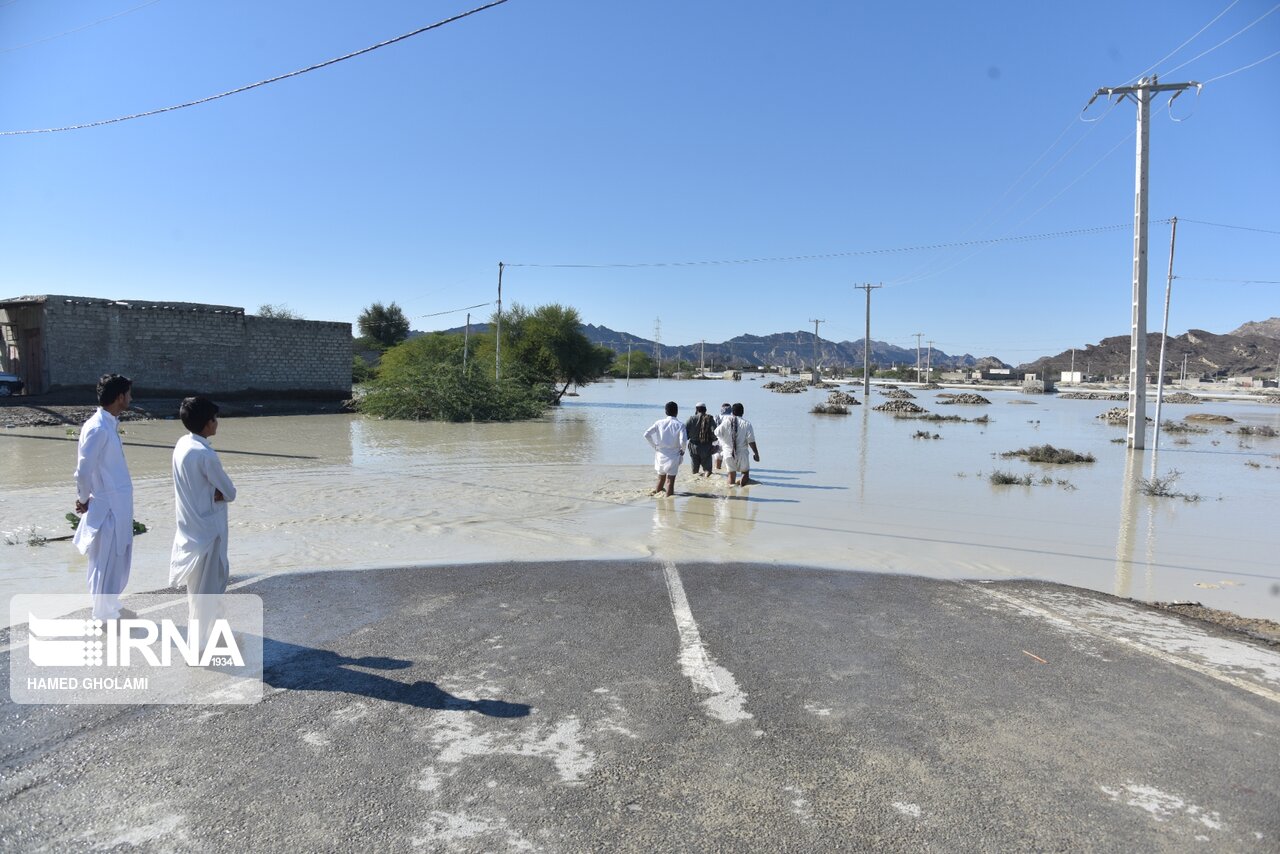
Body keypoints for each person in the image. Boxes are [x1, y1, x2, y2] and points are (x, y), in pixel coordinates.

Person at [169, 397, 237, 647]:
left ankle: (214, 637)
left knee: (197, 591)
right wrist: (217, 493)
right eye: (214, 419)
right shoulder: (205, 454)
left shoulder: (182, 445)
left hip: (189, 528)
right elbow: (230, 491)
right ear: (207, 424)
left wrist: (213, 491)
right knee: (210, 589)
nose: (217, 423)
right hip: (210, 531)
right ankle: (201, 645)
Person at [73, 374, 135, 620]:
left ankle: (109, 604)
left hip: (118, 504)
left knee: (117, 558)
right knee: (104, 560)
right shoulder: (98, 428)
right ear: (120, 397)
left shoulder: (109, 424)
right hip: (106, 505)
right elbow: (83, 469)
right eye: (129, 394)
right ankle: (101, 612)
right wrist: (83, 498)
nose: (131, 398)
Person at [643, 401, 687, 496]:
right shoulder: (680, 425)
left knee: (660, 479)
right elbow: (683, 441)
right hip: (674, 456)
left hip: (660, 455)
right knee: (670, 482)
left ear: (665, 412)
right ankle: (669, 504)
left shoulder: (659, 423)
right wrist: (683, 451)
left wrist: (654, 446)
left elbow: (646, 434)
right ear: (677, 412)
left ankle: (658, 504)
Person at [713, 402, 761, 486]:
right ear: (743, 412)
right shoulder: (747, 424)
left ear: (732, 412)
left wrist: (724, 442)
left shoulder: (726, 422)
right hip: (742, 453)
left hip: (728, 453)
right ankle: (743, 492)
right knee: (745, 473)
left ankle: (731, 496)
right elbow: (751, 441)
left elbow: (717, 433)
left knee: (731, 476)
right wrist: (756, 453)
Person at [684, 403, 717, 478]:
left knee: (694, 471)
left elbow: (684, 434)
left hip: (693, 446)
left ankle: (695, 484)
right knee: (707, 470)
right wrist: (714, 442)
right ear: (705, 410)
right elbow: (714, 432)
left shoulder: (691, 419)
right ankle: (705, 483)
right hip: (706, 446)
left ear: (696, 410)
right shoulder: (710, 419)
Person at [713, 402, 732, 470]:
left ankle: (717, 469)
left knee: (717, 455)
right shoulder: (732, 418)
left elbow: (713, 428)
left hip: (718, 439)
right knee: (729, 457)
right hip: (728, 440)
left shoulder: (717, 417)